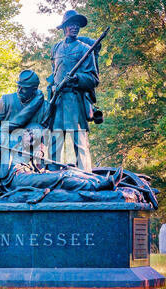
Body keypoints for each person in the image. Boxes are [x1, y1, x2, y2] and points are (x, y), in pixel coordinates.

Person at [45, 10, 99, 172]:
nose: (74, 28)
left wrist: (76, 79)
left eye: (77, 25)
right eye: (71, 24)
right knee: (55, 138)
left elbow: (93, 79)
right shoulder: (56, 49)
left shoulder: (85, 50)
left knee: (79, 140)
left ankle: (85, 173)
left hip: (75, 100)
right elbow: (54, 73)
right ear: (64, 27)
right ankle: (52, 173)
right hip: (57, 100)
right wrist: (53, 88)